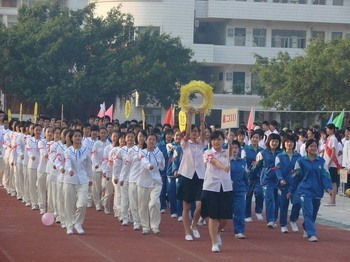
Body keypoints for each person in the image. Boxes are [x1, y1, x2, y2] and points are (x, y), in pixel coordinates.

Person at [289, 139, 332, 242]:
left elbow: (325, 175)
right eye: (311, 146)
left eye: (315, 146)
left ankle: (306, 226)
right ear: (307, 148)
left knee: (313, 213)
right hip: (304, 190)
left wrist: (328, 187)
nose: (313, 148)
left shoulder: (321, 161)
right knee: (308, 212)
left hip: (317, 191)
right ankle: (311, 234)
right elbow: (296, 177)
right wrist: (291, 191)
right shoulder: (300, 161)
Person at [177, 108, 206, 241]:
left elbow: (204, 134)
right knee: (186, 206)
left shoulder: (201, 144)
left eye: (196, 132)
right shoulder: (185, 144)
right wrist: (189, 117)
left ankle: (194, 225)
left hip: (199, 176)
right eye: (192, 132)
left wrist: (202, 118)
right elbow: (187, 134)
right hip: (187, 176)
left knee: (200, 205)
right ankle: (187, 232)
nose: (194, 133)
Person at [201, 130, 232, 252]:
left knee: (225, 218)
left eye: (219, 139)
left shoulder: (226, 152)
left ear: (222, 140)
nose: (216, 142)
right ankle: (214, 242)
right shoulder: (207, 153)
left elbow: (230, 155)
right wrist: (224, 167)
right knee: (213, 216)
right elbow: (214, 161)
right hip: (211, 186)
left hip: (226, 186)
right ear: (211, 141)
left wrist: (230, 143)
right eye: (214, 140)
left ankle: (217, 232)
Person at [64, 129, 93, 235]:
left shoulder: (86, 150)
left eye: (79, 136)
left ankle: (78, 223)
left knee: (82, 203)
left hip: (83, 180)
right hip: (70, 179)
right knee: (69, 203)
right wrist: (69, 170)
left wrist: (90, 178)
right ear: (72, 138)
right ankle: (69, 225)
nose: (77, 138)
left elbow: (89, 166)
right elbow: (67, 162)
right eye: (75, 136)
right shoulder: (68, 150)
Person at [138, 133, 165, 235]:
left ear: (156, 142)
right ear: (146, 141)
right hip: (144, 182)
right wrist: (149, 165)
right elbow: (144, 161)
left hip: (156, 182)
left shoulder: (159, 153)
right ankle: (145, 226)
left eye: (154, 140)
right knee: (143, 205)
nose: (151, 142)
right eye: (150, 139)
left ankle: (155, 226)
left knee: (154, 203)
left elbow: (162, 166)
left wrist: (160, 164)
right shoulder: (142, 152)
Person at [275, 134, 301, 233]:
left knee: (298, 203)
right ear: (284, 143)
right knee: (283, 205)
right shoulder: (279, 156)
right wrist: (281, 179)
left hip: (295, 185)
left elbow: (300, 170)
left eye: (291, 142)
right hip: (283, 185)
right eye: (287, 142)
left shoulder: (298, 156)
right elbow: (277, 169)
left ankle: (293, 220)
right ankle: (283, 224)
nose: (289, 144)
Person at [255, 133, 282, 228]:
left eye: (276, 141)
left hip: (278, 180)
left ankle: (273, 219)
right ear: (269, 142)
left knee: (277, 200)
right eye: (273, 141)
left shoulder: (282, 153)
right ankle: (270, 220)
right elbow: (256, 167)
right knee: (269, 199)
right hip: (267, 180)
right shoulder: (262, 153)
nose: (274, 143)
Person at [242, 131, 264, 222]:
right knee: (248, 195)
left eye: (257, 137)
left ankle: (258, 211)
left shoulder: (262, 150)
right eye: (253, 137)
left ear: (259, 139)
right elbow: (243, 161)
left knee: (259, 193)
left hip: (258, 176)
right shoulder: (245, 149)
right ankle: (247, 215)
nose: (255, 139)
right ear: (250, 139)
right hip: (248, 176)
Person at [230, 140, 248, 240]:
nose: (234, 150)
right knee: (226, 210)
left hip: (240, 189)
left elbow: (246, 177)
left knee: (240, 210)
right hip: (226, 189)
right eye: (232, 148)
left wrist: (246, 188)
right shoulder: (226, 161)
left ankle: (239, 231)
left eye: (236, 148)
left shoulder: (243, 162)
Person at [91, 127, 110, 211]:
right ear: (99, 134)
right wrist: (96, 164)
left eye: (104, 133)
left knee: (104, 186)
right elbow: (93, 155)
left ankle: (103, 201)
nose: (103, 134)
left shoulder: (109, 144)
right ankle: (97, 203)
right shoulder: (96, 144)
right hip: (97, 168)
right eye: (101, 133)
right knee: (96, 187)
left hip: (105, 168)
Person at [323, 124, 339, 206]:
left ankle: (333, 201)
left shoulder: (333, 139)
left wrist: (329, 163)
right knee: (330, 181)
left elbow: (333, 152)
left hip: (332, 164)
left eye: (328, 129)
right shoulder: (329, 138)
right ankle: (331, 200)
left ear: (332, 130)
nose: (327, 130)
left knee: (333, 182)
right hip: (327, 163)